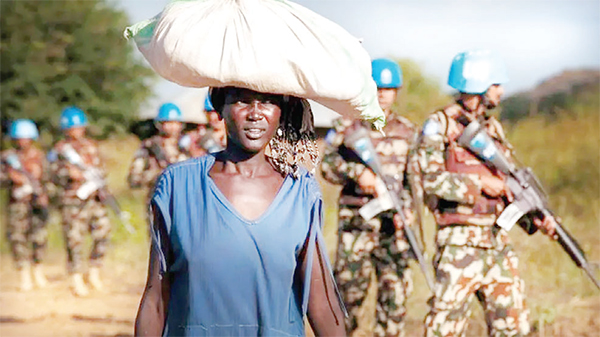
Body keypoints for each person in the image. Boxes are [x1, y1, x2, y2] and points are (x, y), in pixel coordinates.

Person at [135, 87, 346, 336]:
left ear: (281, 112)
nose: (255, 113)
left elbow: (320, 299)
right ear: (220, 109)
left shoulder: (300, 191)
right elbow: (156, 297)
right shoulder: (179, 185)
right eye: (242, 101)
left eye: (267, 102)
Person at [416, 50, 557, 336]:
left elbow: (508, 187)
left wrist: (534, 219)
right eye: (496, 84)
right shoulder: (440, 125)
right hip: (458, 245)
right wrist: (478, 185)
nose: (502, 91)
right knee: (445, 329)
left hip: (497, 243)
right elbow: (429, 180)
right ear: (478, 84)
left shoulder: (493, 129)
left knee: (513, 327)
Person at [320, 58, 417, 336]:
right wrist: (356, 173)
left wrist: (408, 211)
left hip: (393, 230)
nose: (383, 93)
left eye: (389, 88)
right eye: (378, 87)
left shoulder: (408, 131)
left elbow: (413, 181)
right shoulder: (345, 128)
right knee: (346, 300)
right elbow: (326, 166)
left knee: (394, 300)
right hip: (356, 228)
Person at [48, 107, 112, 296]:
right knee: (74, 239)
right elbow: (50, 174)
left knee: (103, 231)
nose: (78, 131)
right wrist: (68, 174)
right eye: (73, 128)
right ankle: (75, 277)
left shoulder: (91, 146)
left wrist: (101, 185)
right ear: (66, 129)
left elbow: (102, 169)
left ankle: (94, 271)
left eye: (80, 127)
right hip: (72, 201)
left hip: (94, 199)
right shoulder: (59, 150)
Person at [0, 119, 50, 291]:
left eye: (26, 138)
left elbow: (49, 179)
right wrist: (10, 178)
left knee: (40, 237)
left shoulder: (40, 156)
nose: (23, 141)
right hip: (17, 205)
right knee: (17, 239)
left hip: (36, 204)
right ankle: (24, 275)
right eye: (19, 138)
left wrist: (45, 194)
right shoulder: (7, 158)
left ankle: (38, 270)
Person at [127, 102, 190, 206]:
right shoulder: (149, 147)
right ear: (160, 124)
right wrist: (157, 175)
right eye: (168, 123)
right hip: (159, 201)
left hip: (185, 201)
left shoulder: (188, 145)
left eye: (175, 122)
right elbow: (134, 179)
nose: (172, 127)